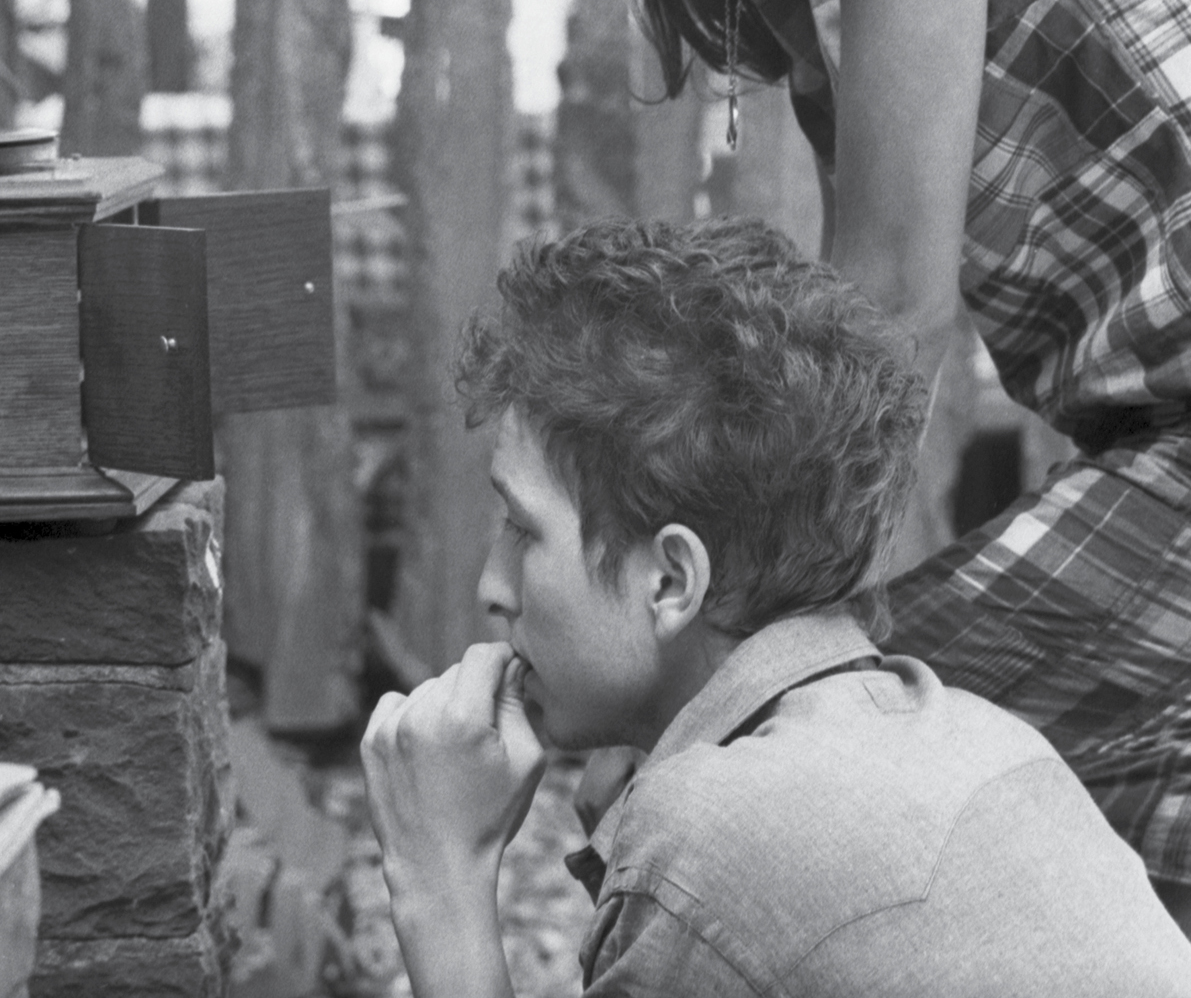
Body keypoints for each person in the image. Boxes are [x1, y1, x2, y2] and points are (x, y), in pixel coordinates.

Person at [349, 0, 1191, 919]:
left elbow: (888, 300)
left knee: (783, 786)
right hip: (1139, 446)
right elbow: (848, 340)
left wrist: (728, 645)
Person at [361, 218, 1191, 996]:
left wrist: (441, 878)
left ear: (672, 582)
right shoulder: (964, 727)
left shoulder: (713, 833)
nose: (490, 588)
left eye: (520, 528)